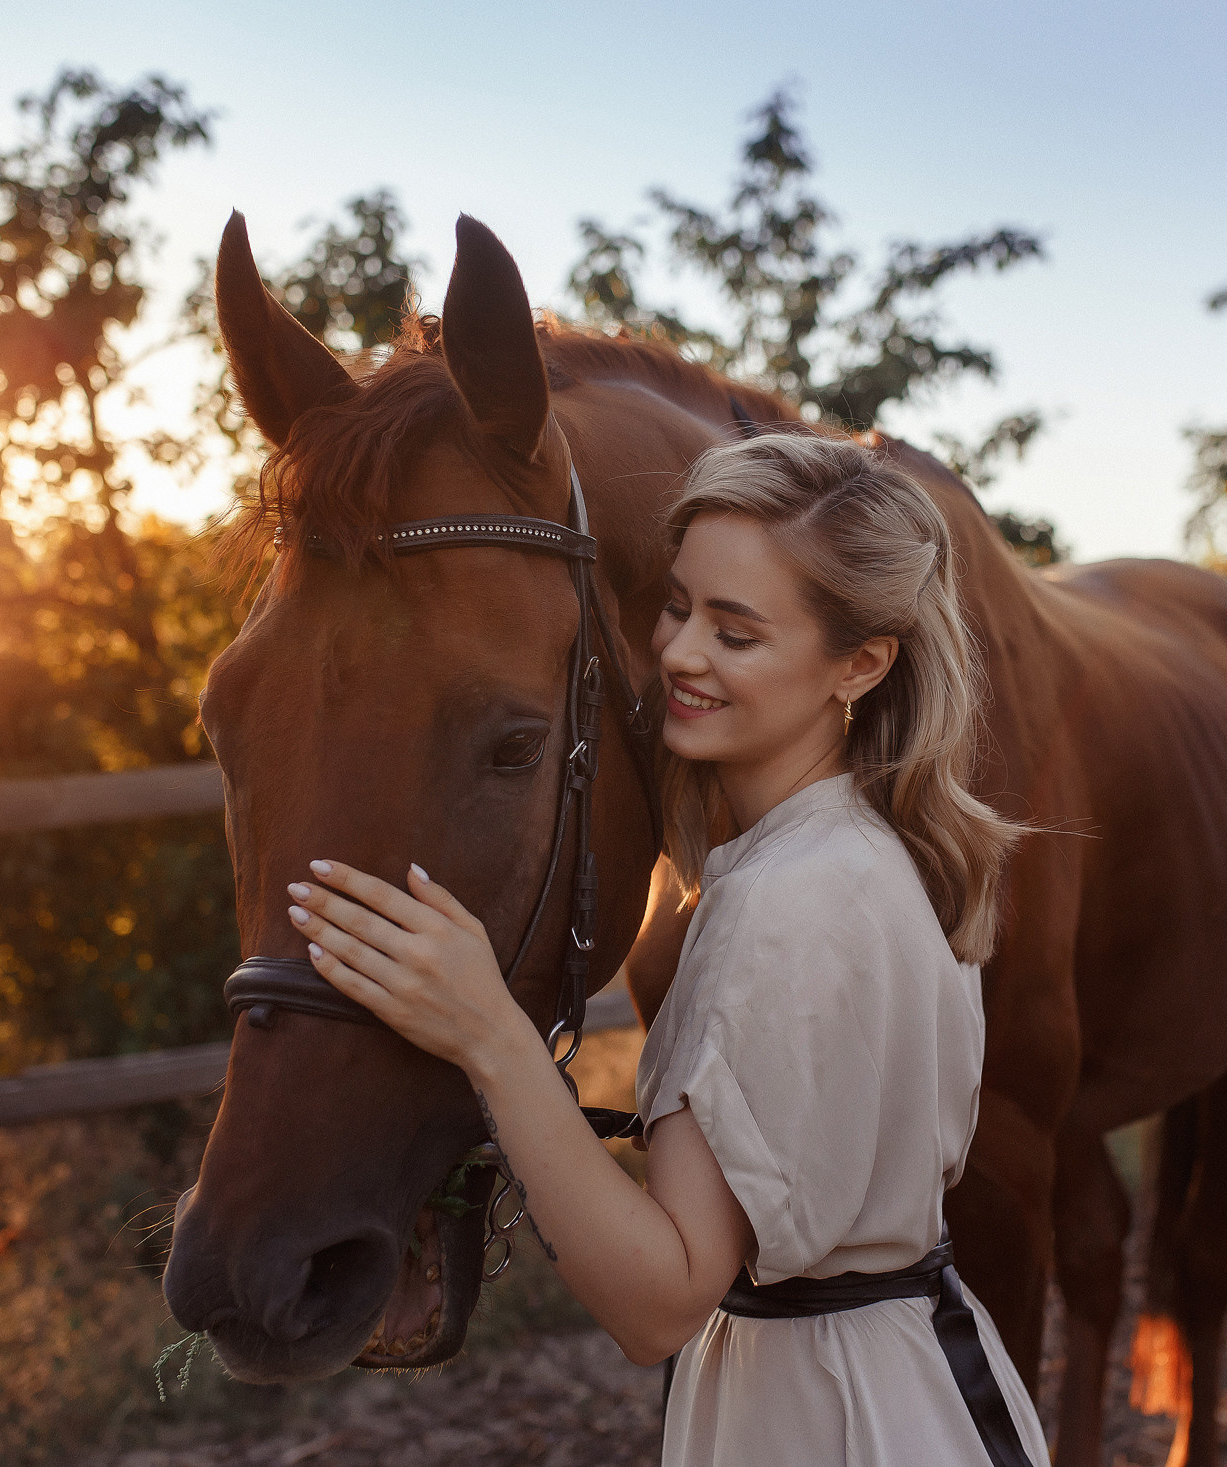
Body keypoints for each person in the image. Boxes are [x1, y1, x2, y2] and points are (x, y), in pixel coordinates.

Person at [282, 431, 1052, 1466]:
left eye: (736, 633)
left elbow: (659, 1303)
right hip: (915, 1384)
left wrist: (487, 1035)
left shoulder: (776, 901)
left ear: (860, 664)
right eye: (679, 607)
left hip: (817, 1420)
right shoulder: (891, 853)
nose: (681, 653)